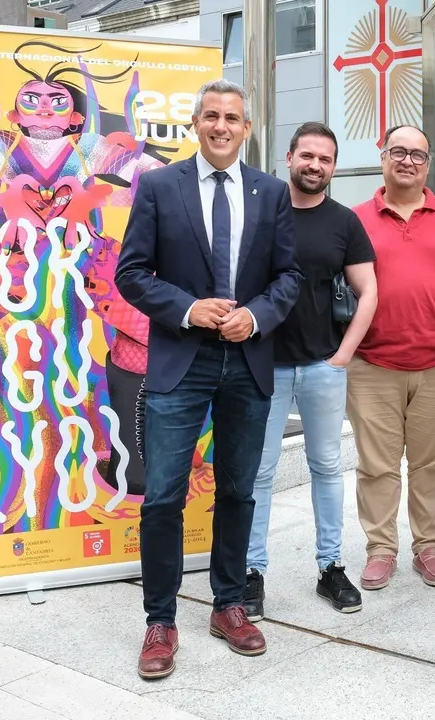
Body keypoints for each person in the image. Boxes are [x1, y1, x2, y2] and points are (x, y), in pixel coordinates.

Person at [115, 79, 302, 679]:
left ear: (247, 128)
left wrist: (258, 315)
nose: (222, 126)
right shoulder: (158, 186)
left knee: (238, 491)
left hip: (247, 362)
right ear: (196, 123)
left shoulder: (271, 193)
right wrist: (189, 308)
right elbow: (132, 273)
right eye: (212, 116)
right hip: (181, 361)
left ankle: (228, 604)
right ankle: (160, 620)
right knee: (165, 496)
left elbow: (289, 277)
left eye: (234, 118)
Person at [243, 122, 378, 619]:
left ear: (333, 167)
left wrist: (343, 354)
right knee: (260, 472)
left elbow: (370, 292)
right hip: (264, 365)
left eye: (324, 159)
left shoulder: (344, 222)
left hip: (323, 365)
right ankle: (251, 571)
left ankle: (331, 567)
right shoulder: (261, 214)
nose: (314, 166)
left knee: (326, 467)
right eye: (307, 156)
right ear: (289, 157)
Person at [348, 125, 435, 591]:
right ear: (382, 158)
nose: (407, 161)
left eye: (417, 154)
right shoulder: (355, 218)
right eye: (397, 152)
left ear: (428, 163)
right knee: (376, 464)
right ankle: (381, 548)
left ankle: (429, 546)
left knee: (434, 462)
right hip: (372, 364)